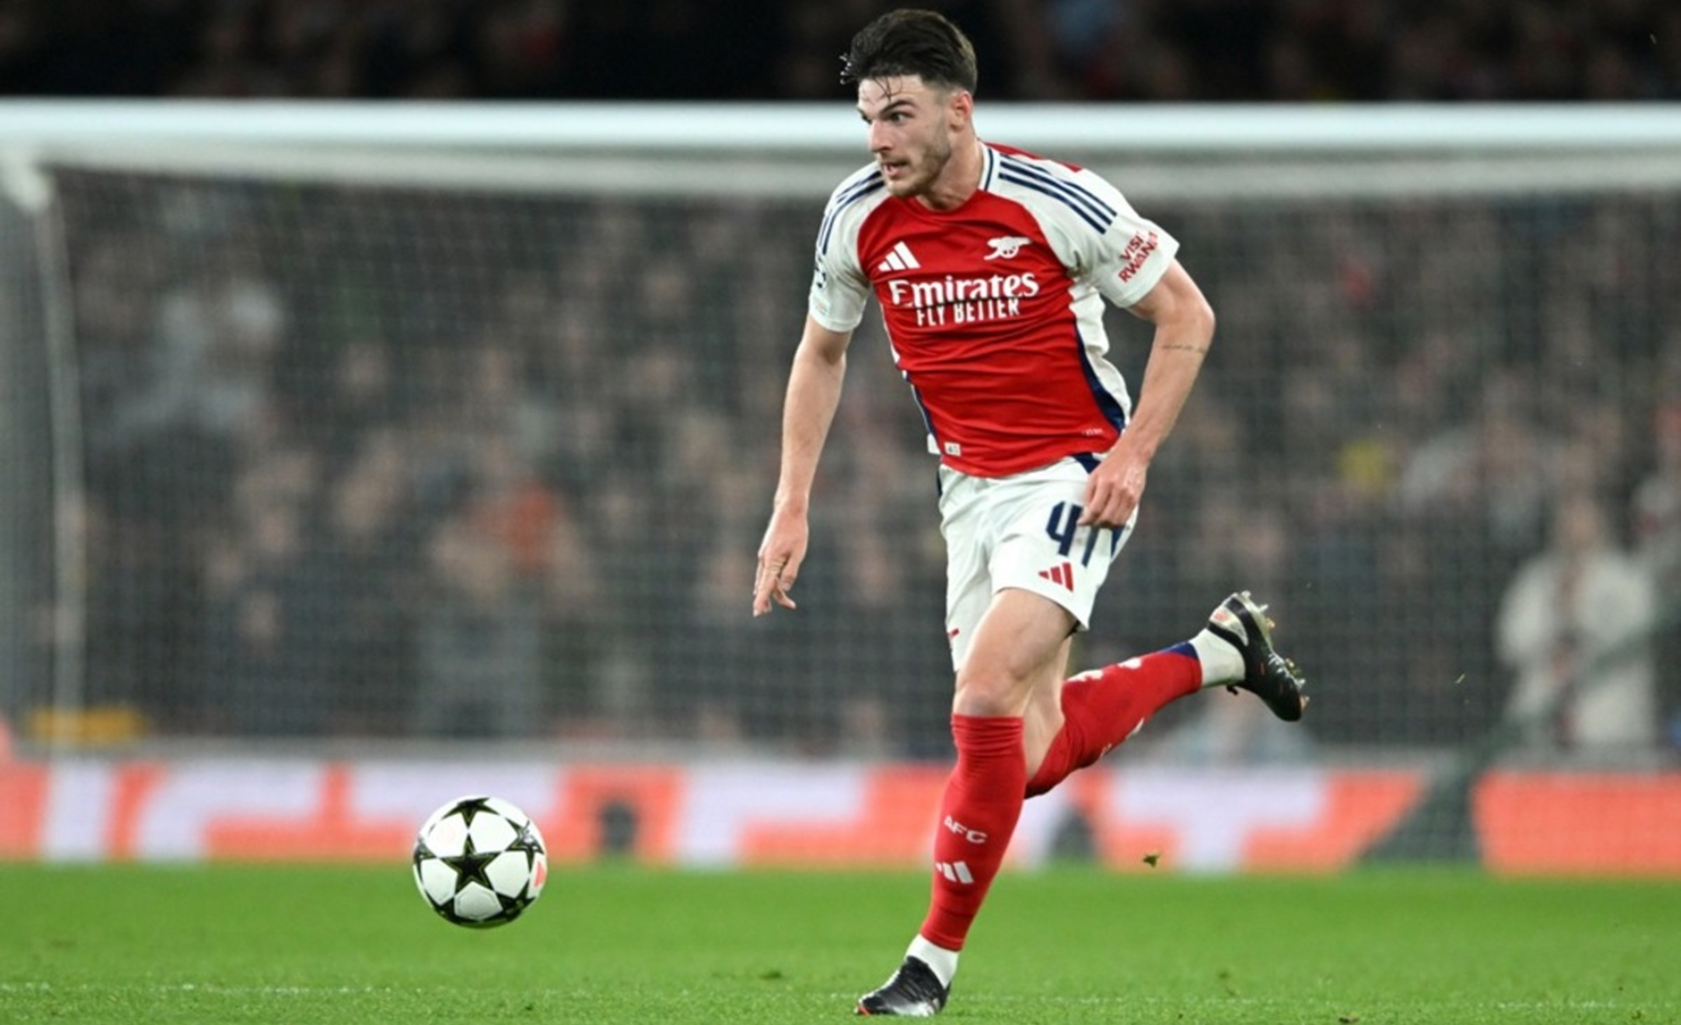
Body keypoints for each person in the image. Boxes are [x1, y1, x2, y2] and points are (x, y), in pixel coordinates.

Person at [750, 9, 1309, 1017]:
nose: (878, 138)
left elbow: (1187, 314)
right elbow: (820, 352)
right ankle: (1218, 651)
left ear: (958, 112)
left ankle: (929, 965)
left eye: (899, 115)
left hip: (1071, 471)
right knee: (1030, 752)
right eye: (868, 117)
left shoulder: (1059, 201)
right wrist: (790, 506)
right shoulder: (856, 217)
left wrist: (1132, 453)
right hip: (964, 492)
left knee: (984, 689)